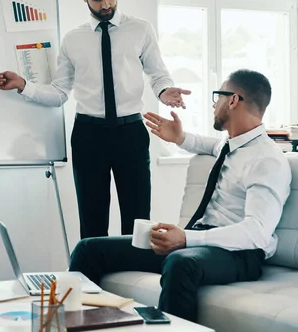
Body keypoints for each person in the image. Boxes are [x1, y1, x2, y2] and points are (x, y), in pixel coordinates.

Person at [69, 69, 291, 322]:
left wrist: (186, 238)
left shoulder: (266, 160)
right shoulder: (231, 145)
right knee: (89, 249)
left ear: (233, 100)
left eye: (217, 96)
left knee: (180, 262)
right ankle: (77, 325)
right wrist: (180, 138)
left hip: (239, 254)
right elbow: (206, 144)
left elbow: (256, 233)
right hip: (203, 244)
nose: (213, 104)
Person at [0, 0, 190, 239]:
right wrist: (24, 85)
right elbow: (60, 92)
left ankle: (134, 279)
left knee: (137, 221)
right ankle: (94, 280)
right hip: (88, 136)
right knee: (92, 221)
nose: (106, 4)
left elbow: (158, 75)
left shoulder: (141, 30)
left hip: (130, 133)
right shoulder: (73, 40)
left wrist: (165, 90)